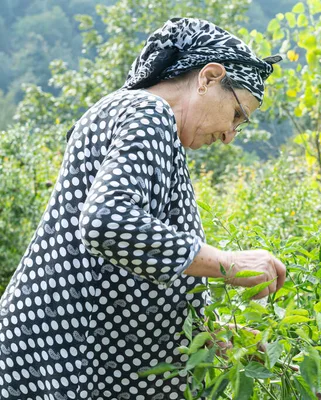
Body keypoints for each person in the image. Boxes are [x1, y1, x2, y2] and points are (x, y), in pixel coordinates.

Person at [0, 18, 286, 400]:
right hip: (52, 372)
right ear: (209, 78)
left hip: (57, 365)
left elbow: (126, 269)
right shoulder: (148, 113)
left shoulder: (141, 118)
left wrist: (216, 333)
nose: (231, 136)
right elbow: (107, 223)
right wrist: (228, 262)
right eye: (237, 115)